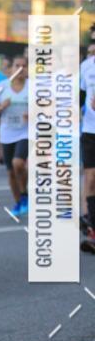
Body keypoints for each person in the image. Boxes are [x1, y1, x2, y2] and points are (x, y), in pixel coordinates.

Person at [0, 54, 29, 217]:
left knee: (18, 163)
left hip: (26, 131)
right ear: (10, 69)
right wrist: (1, 107)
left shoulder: (34, 87)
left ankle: (25, 194)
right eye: (16, 66)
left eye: (23, 66)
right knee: (11, 171)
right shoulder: (2, 86)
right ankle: (19, 201)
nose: (20, 69)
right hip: (7, 133)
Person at [80, 46, 95, 253]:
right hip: (90, 130)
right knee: (91, 180)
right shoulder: (85, 67)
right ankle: (93, 230)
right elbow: (79, 97)